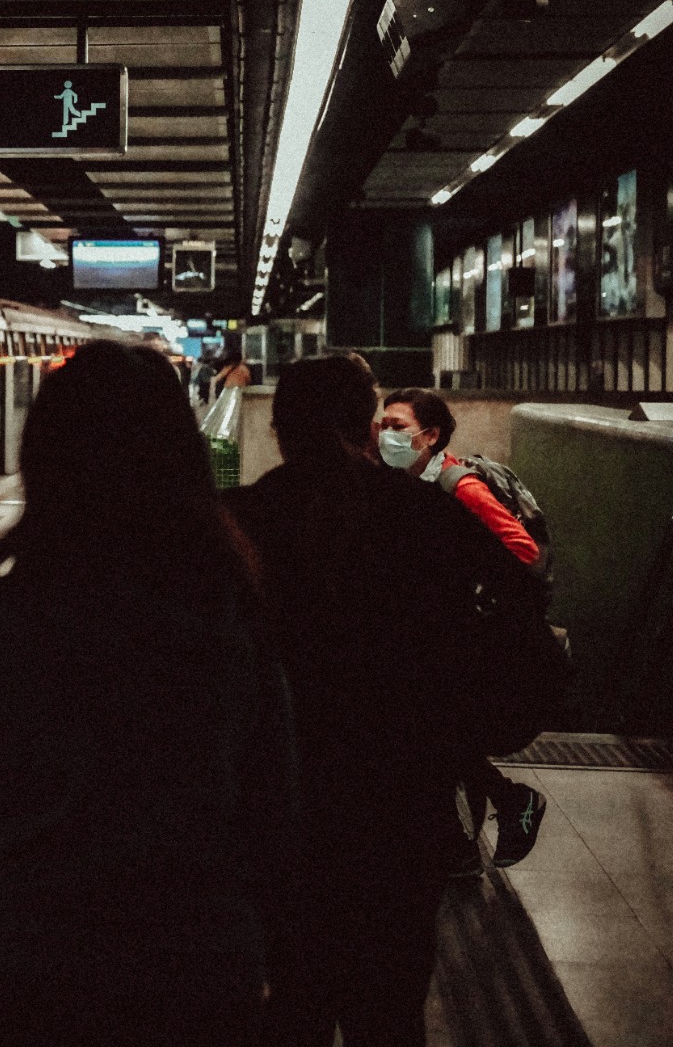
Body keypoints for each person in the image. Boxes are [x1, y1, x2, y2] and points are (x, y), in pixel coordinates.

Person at [0, 341, 296, 1046]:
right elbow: (274, 812)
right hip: (194, 965)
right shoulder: (232, 626)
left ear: (41, 461)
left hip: (22, 964)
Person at [227, 357, 556, 1047]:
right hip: (400, 806)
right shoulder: (427, 514)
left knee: (291, 1004)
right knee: (390, 1009)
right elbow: (516, 597)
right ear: (365, 426)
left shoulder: (244, 520)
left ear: (280, 429)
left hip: (280, 811)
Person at [380, 388, 548, 871]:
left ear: (430, 436)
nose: (387, 434)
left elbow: (523, 550)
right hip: (435, 632)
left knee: (438, 732)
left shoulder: (459, 486)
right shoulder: (406, 482)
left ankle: (494, 816)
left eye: (398, 426)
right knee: (444, 733)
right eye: (383, 425)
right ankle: (474, 834)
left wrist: (467, 577)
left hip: (469, 634)